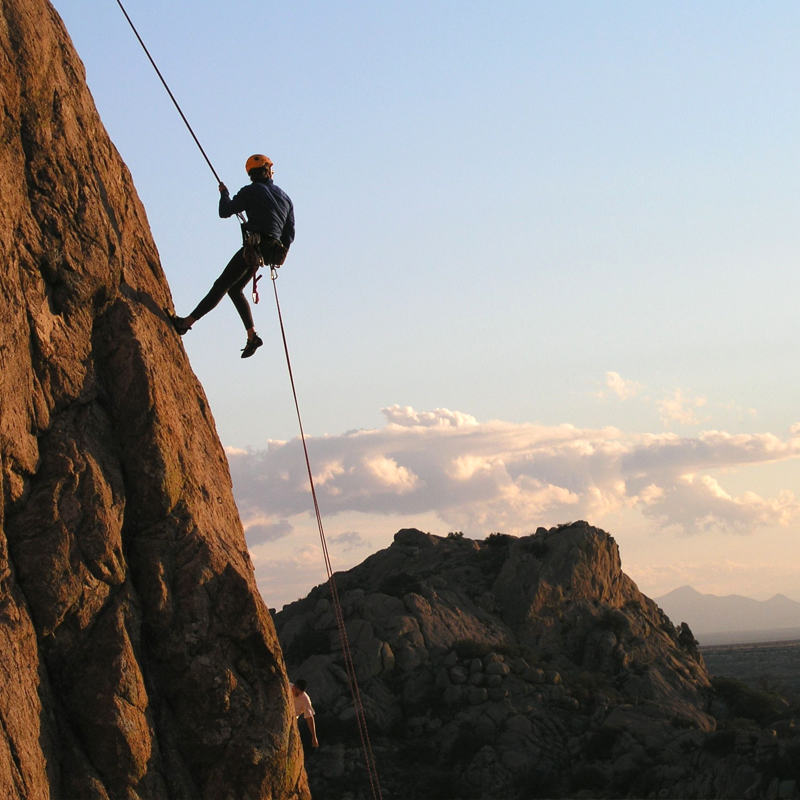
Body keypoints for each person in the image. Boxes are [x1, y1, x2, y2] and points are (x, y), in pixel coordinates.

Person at [170, 154, 295, 358]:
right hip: (268, 251)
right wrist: (280, 253)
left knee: (221, 285)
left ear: (251, 173)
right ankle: (252, 335)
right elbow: (289, 234)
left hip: (253, 248)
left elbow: (225, 211)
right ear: (269, 170)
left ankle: (185, 323)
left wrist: (224, 194)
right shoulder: (286, 198)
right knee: (235, 289)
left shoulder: (251, 191)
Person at [291, 679, 319, 749]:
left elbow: (309, 717)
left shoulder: (305, 699)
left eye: (301, 693)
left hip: (292, 720)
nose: (299, 695)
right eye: (297, 693)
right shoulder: (286, 687)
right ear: (294, 687)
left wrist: (314, 736)